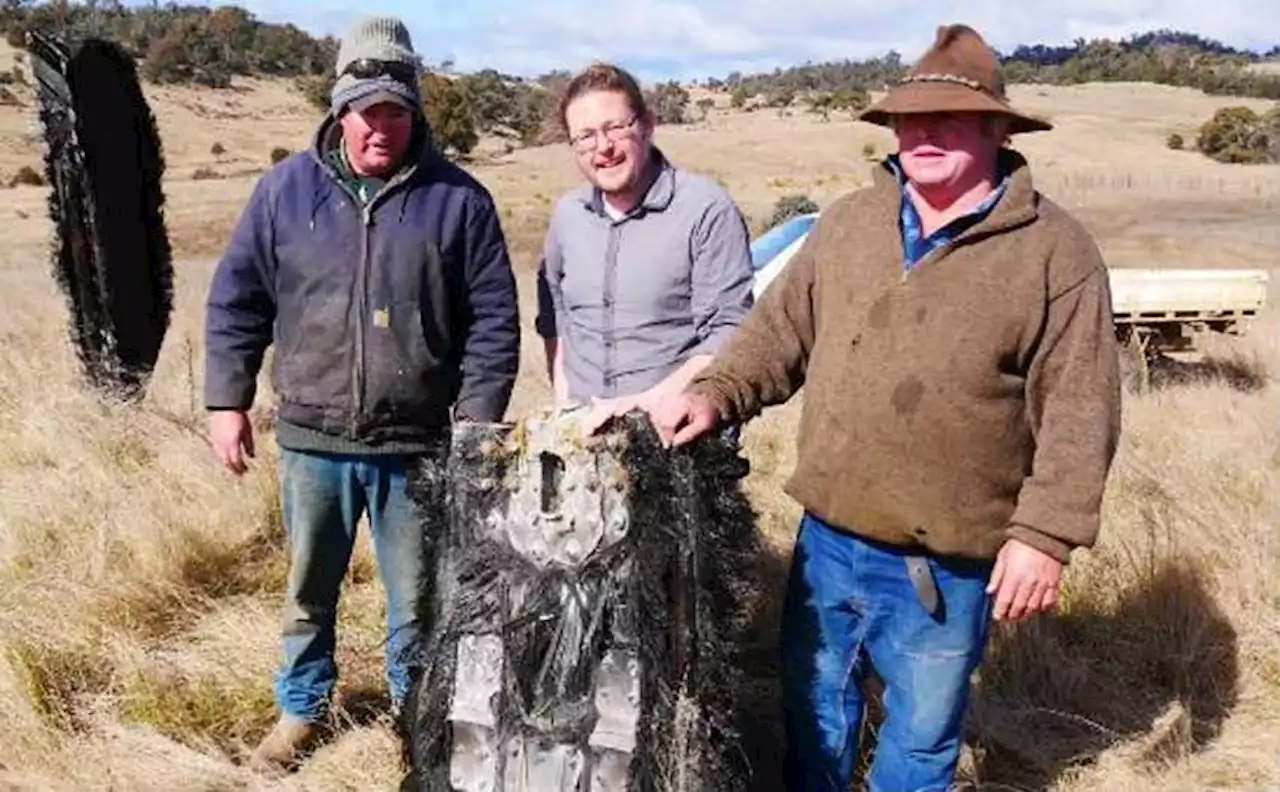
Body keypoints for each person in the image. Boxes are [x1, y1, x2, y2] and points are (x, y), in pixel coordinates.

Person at [648, 23, 1122, 792]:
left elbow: (1080, 408)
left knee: (922, 737)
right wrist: (712, 393)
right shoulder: (846, 224)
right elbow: (777, 338)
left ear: (998, 129)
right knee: (816, 712)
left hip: (951, 561)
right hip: (829, 540)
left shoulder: (1054, 252)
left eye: (948, 117)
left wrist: (1045, 534)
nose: (923, 132)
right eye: (909, 117)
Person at [202, 14, 520, 772]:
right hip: (312, 440)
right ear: (340, 109)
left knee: (418, 600)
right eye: (367, 110)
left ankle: (418, 712)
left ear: (415, 112)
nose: (382, 126)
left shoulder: (461, 202)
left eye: (396, 110)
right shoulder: (283, 193)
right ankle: (301, 710)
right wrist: (227, 401)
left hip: (416, 447)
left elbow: (494, 322)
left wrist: (476, 425)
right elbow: (236, 301)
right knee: (308, 592)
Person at [534, 62, 755, 433]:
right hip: (584, 440)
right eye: (585, 136)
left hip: (677, 439)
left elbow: (729, 333)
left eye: (615, 127)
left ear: (648, 125)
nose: (602, 148)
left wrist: (646, 404)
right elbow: (556, 314)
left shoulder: (705, 209)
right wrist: (564, 403)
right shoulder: (568, 217)